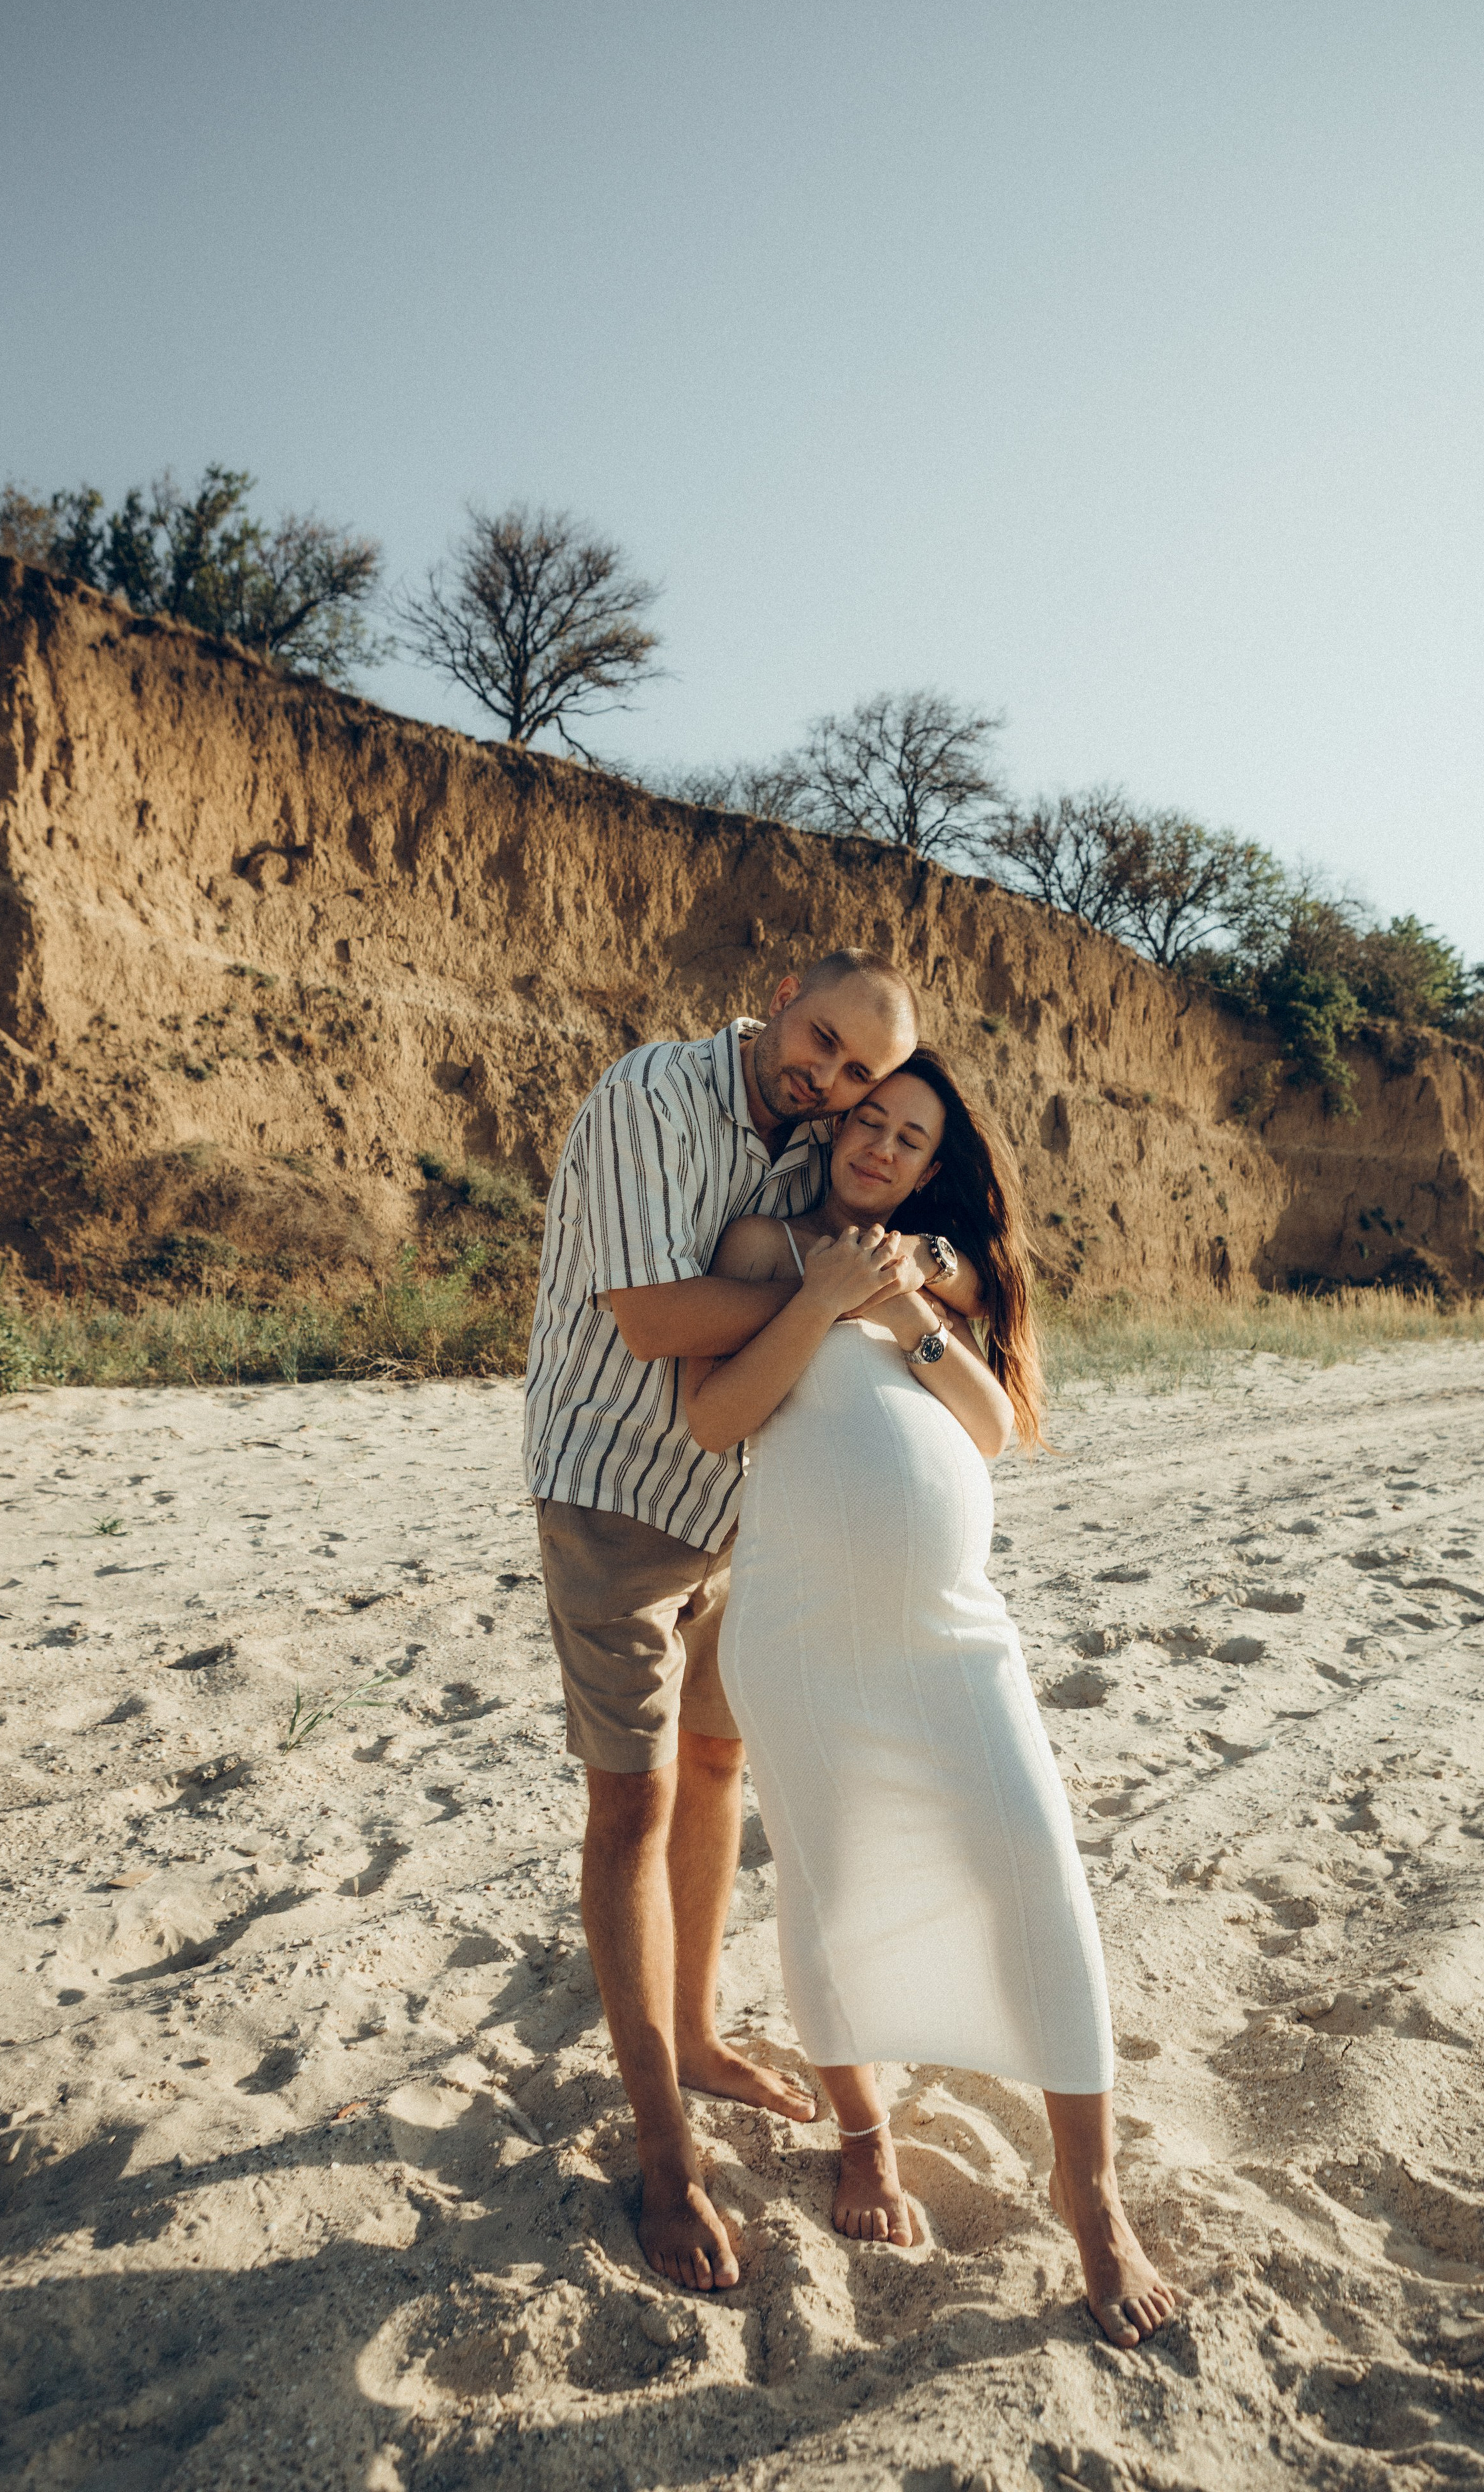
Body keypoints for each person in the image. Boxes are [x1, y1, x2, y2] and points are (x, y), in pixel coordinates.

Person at [682, 1048, 1178, 2347]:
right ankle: (864, 2140)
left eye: (910, 1137)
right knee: (832, 1888)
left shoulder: (936, 1269)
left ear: (931, 1163)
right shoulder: (758, 1243)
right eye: (866, 1121)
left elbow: (989, 1426)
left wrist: (903, 1312)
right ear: (831, 1128)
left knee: (1034, 1865)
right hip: (796, 1635)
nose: (882, 1147)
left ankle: (1091, 2195)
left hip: (954, 1633)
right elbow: (716, 1409)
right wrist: (823, 1294)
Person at [521, 951, 970, 2294]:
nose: (824, 1080)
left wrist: (910, 1260)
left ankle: (703, 2034)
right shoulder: (649, 1097)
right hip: (612, 1498)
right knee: (631, 1811)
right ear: (778, 989)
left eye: (852, 1074)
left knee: (718, 1767)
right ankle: (663, 2154)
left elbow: (927, 1239)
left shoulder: (815, 1139)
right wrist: (836, 1289)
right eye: (818, 1043)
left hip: (744, 1506)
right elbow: (655, 1316)